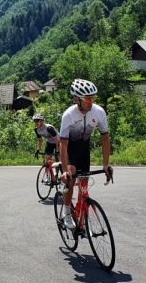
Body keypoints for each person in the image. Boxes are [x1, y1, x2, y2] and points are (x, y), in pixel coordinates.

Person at [59, 79, 111, 230]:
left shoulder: (99, 112)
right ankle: (67, 212)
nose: (91, 102)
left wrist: (105, 165)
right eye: (87, 98)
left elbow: (105, 138)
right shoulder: (68, 115)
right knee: (71, 175)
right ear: (77, 99)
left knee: (84, 185)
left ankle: (81, 219)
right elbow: (63, 144)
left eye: (92, 98)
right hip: (70, 150)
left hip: (84, 150)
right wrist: (64, 170)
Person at [32, 114, 60, 184]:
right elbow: (40, 140)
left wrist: (57, 150)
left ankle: (59, 175)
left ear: (42, 121)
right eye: (35, 121)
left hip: (58, 142)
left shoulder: (49, 128)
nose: (36, 123)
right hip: (50, 143)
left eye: (37, 121)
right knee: (47, 161)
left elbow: (56, 139)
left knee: (58, 159)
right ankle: (48, 177)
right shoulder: (36, 130)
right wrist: (38, 149)